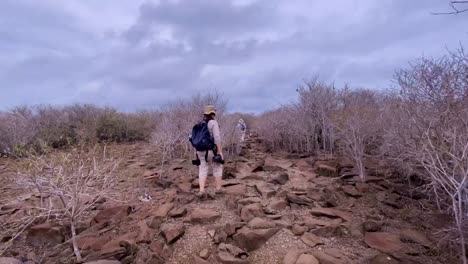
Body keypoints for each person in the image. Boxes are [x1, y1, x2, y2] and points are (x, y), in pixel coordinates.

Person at [191, 105, 224, 197]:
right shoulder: (213, 123)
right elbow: (217, 138)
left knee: (202, 169)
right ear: (213, 113)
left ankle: (201, 191)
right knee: (217, 167)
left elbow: (194, 138)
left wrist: (196, 152)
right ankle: (218, 189)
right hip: (210, 150)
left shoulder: (200, 123)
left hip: (199, 150)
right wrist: (220, 152)